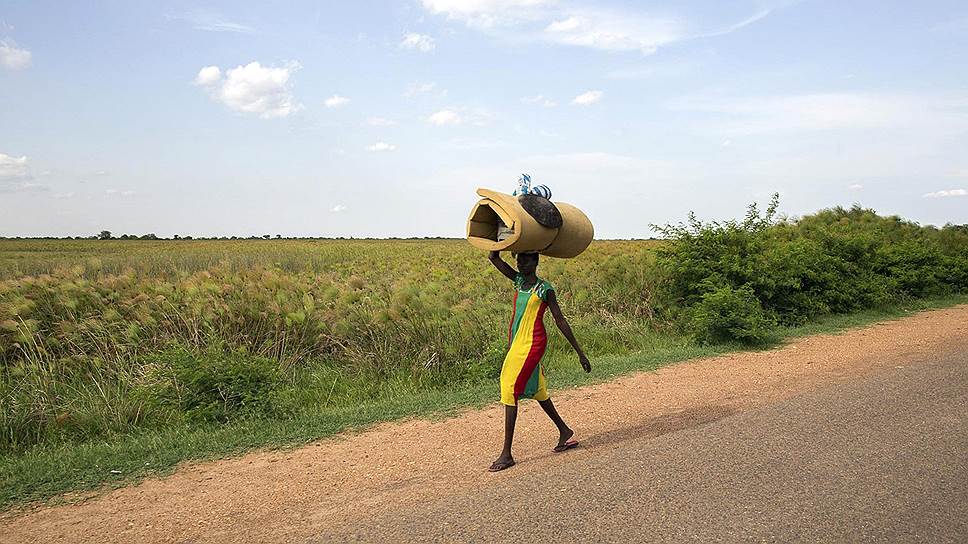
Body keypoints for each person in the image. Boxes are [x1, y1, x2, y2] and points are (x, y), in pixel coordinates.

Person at [487, 250, 592, 472]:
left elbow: (560, 320)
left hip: (533, 343)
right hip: (517, 342)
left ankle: (506, 454)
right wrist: (500, 241)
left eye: (526, 260)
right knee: (537, 389)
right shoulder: (518, 281)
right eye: (519, 260)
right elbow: (493, 258)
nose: (521, 264)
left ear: (536, 261)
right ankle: (564, 431)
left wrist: (580, 352)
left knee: (509, 385)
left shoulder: (545, 289)